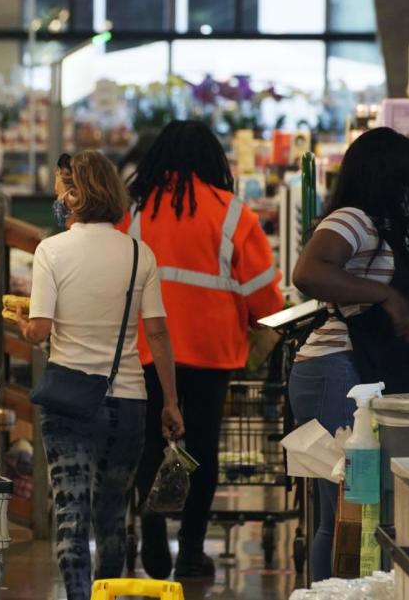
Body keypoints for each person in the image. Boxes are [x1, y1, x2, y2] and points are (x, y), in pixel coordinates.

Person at [12, 151, 185, 600]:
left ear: (75, 195)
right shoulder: (138, 253)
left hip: (69, 404)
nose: (57, 200)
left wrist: (22, 324)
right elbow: (158, 333)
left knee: (71, 513)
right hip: (128, 401)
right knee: (111, 515)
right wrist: (170, 400)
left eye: (60, 192)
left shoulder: (51, 251)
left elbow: (40, 331)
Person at [121, 121, 284, 580]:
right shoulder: (233, 213)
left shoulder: (134, 210)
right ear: (212, 159)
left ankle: (152, 528)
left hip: (146, 349)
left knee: (151, 446)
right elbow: (264, 297)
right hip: (213, 352)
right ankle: (191, 549)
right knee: (204, 449)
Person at [291, 127, 409, 581]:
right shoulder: (353, 218)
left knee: (357, 509)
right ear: (385, 174)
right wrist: (385, 297)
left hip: (360, 372)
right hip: (336, 368)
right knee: (345, 511)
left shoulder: (391, 227)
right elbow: (308, 272)